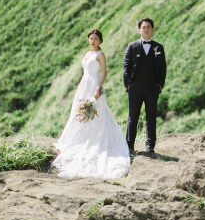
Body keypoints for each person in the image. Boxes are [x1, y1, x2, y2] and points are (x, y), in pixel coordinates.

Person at [53, 29, 130, 178]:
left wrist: (98, 88)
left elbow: (104, 73)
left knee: (96, 112)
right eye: (90, 38)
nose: (92, 41)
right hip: (84, 84)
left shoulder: (100, 55)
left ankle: (94, 140)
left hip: (94, 83)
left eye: (95, 39)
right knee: (80, 111)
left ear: (100, 41)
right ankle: (80, 137)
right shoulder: (88, 54)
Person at [124, 17, 166, 154]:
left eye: (148, 27)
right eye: (143, 27)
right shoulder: (132, 46)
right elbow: (126, 67)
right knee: (133, 117)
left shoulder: (159, 47)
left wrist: (160, 85)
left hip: (152, 87)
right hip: (135, 86)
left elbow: (163, 68)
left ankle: (150, 146)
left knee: (151, 117)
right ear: (139, 30)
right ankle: (129, 145)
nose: (146, 29)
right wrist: (129, 84)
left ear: (152, 30)